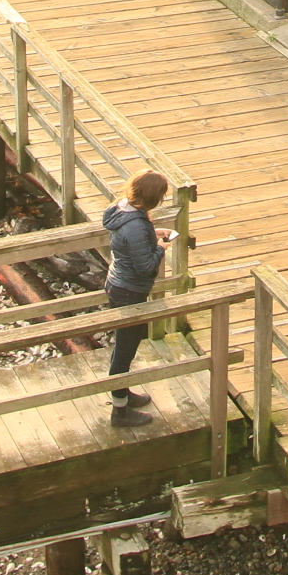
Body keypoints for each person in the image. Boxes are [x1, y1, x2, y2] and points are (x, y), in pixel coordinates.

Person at [102, 169, 175, 425]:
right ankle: (119, 411)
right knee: (125, 348)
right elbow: (146, 267)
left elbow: (130, 242)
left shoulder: (123, 210)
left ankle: (122, 393)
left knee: (125, 344)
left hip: (117, 284)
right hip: (129, 291)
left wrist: (151, 236)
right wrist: (160, 249)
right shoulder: (136, 225)